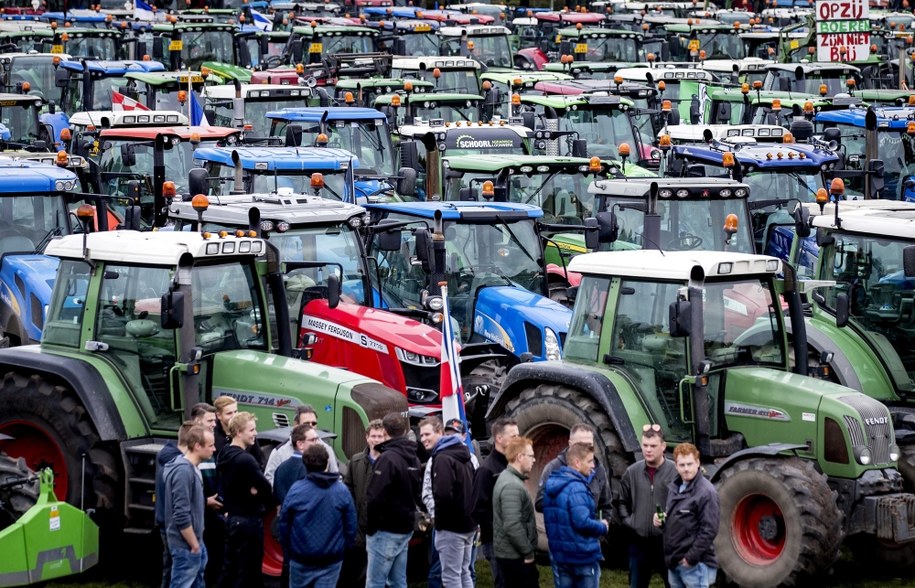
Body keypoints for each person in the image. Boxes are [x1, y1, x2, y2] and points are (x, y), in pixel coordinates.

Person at [279, 444, 358, 588]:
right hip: (330, 560)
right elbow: (351, 527)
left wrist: (288, 551)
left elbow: (284, 525)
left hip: (301, 559)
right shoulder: (342, 491)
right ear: (327, 462)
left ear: (305, 464)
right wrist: (343, 549)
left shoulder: (296, 490)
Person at [364, 412, 422, 588]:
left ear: (385, 431)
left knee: (375, 582)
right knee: (398, 581)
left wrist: (370, 527)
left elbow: (374, 497)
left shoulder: (387, 459)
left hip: (385, 531)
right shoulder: (413, 457)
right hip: (404, 529)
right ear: (405, 430)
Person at [216, 411, 274, 588]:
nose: (255, 433)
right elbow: (266, 489)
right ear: (239, 432)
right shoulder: (245, 460)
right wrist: (255, 492)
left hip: (232, 519)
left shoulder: (224, 454)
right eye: (252, 430)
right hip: (248, 522)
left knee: (230, 569)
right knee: (247, 572)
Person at [619, 424, 679, 588]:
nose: (648, 450)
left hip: (666, 543)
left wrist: (670, 519)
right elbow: (621, 501)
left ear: (663, 446)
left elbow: (684, 504)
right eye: (645, 445)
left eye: (653, 446)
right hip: (639, 544)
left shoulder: (675, 472)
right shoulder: (632, 472)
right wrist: (630, 522)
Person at [543, 442, 609, 588]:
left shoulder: (552, 484)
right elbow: (582, 522)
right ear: (577, 463)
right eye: (590, 461)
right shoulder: (577, 488)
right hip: (582, 558)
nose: (593, 466)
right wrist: (603, 526)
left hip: (561, 557)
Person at [655, 443, 719, 588]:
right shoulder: (674, 488)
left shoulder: (706, 492)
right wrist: (662, 521)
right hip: (674, 562)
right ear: (676, 466)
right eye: (682, 465)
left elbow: (709, 530)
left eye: (690, 464)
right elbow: (678, 520)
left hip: (695, 566)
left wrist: (690, 559)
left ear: (698, 463)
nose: (686, 469)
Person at [163, 425, 216, 588]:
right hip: (186, 546)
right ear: (197, 446)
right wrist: (194, 544)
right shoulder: (183, 471)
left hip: (195, 543)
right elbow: (181, 513)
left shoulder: (191, 468)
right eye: (211, 445)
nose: (214, 449)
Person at [473, 417, 519, 588]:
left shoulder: (512, 465)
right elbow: (478, 508)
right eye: (513, 436)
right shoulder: (486, 470)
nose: (518, 440)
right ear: (499, 439)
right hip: (497, 542)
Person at [535, 423, 614, 524]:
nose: (585, 449)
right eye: (580, 445)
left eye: (589, 445)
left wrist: (602, 527)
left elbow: (605, 506)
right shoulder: (554, 468)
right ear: (570, 443)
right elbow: (540, 503)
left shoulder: (598, 469)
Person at [431, 418, 476, 588]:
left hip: (452, 527)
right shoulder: (467, 457)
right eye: (448, 433)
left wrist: (440, 522)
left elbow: (442, 494)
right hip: (467, 524)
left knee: (451, 577)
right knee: (463, 572)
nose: (450, 436)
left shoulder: (443, 458)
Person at [341, 419, 385, 588]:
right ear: (367, 437)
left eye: (380, 437)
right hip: (358, 529)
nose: (376, 440)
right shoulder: (356, 461)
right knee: (353, 573)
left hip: (379, 531)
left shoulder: (389, 462)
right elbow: (348, 488)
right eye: (373, 436)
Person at [493, 436, 539, 588]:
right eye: (531, 456)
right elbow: (512, 525)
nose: (534, 460)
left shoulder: (511, 479)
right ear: (520, 457)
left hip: (512, 554)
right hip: (515, 557)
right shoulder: (512, 485)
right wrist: (528, 552)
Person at [190, 403, 224, 587]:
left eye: (215, 420)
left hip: (213, 515)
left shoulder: (212, 450)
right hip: (198, 518)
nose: (214, 424)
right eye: (210, 420)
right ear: (196, 421)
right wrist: (205, 501)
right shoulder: (186, 456)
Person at [156, 421, 193, 588]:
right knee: (175, 571)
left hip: (168, 524)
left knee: (171, 568)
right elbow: (180, 508)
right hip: (174, 528)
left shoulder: (169, 461)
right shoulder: (179, 468)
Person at [265, 404, 339, 484]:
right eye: (306, 423)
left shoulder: (326, 448)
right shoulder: (280, 452)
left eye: (314, 423)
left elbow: (335, 477)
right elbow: (269, 479)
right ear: (296, 425)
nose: (311, 427)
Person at [419, 417, 445, 588]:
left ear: (440, 433)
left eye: (427, 434)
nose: (423, 439)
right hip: (443, 523)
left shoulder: (438, 459)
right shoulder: (432, 460)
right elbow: (427, 493)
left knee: (440, 570)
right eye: (421, 435)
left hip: (448, 526)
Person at [273, 424, 319, 505]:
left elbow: (276, 496)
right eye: (313, 440)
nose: (317, 443)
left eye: (317, 439)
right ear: (300, 444)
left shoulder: (280, 468)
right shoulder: (309, 468)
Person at [214, 395, 265, 467]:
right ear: (219, 415)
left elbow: (259, 460)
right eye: (229, 413)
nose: (234, 416)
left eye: (235, 411)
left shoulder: (247, 431)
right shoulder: (213, 435)